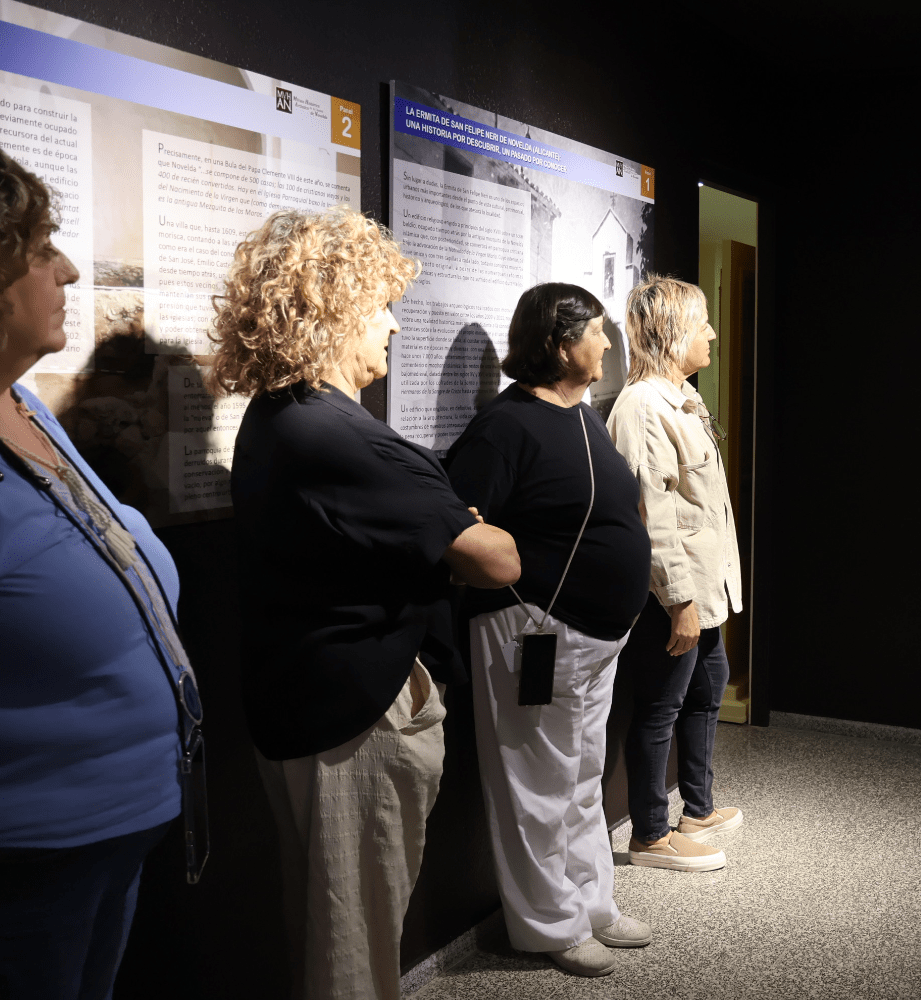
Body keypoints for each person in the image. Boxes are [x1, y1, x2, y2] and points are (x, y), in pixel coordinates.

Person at [211, 206, 520, 1000]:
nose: (392, 325)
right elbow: (497, 559)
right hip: (354, 723)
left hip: (312, 707)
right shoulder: (337, 436)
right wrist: (459, 528)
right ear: (333, 309)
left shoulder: (282, 419)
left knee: (333, 922)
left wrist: (445, 525)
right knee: (354, 940)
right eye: (379, 305)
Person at [0, 149, 202, 999]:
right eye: (41, 247)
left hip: (110, 831)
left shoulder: (23, 404)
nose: (70, 271)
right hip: (28, 851)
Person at [445, 282, 655, 977]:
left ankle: (591, 904)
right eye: (596, 331)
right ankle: (548, 925)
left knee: (583, 775)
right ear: (559, 344)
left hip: (595, 638)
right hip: (535, 631)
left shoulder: (583, 415)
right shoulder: (504, 427)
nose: (606, 342)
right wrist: (529, 597)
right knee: (536, 784)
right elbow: (461, 524)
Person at [607, 274, 744, 871]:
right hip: (672, 594)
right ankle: (650, 835)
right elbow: (651, 517)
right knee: (661, 706)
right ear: (671, 332)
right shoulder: (643, 407)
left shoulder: (682, 395)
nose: (712, 333)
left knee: (709, 687)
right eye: (702, 323)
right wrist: (680, 601)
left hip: (702, 587)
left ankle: (698, 810)